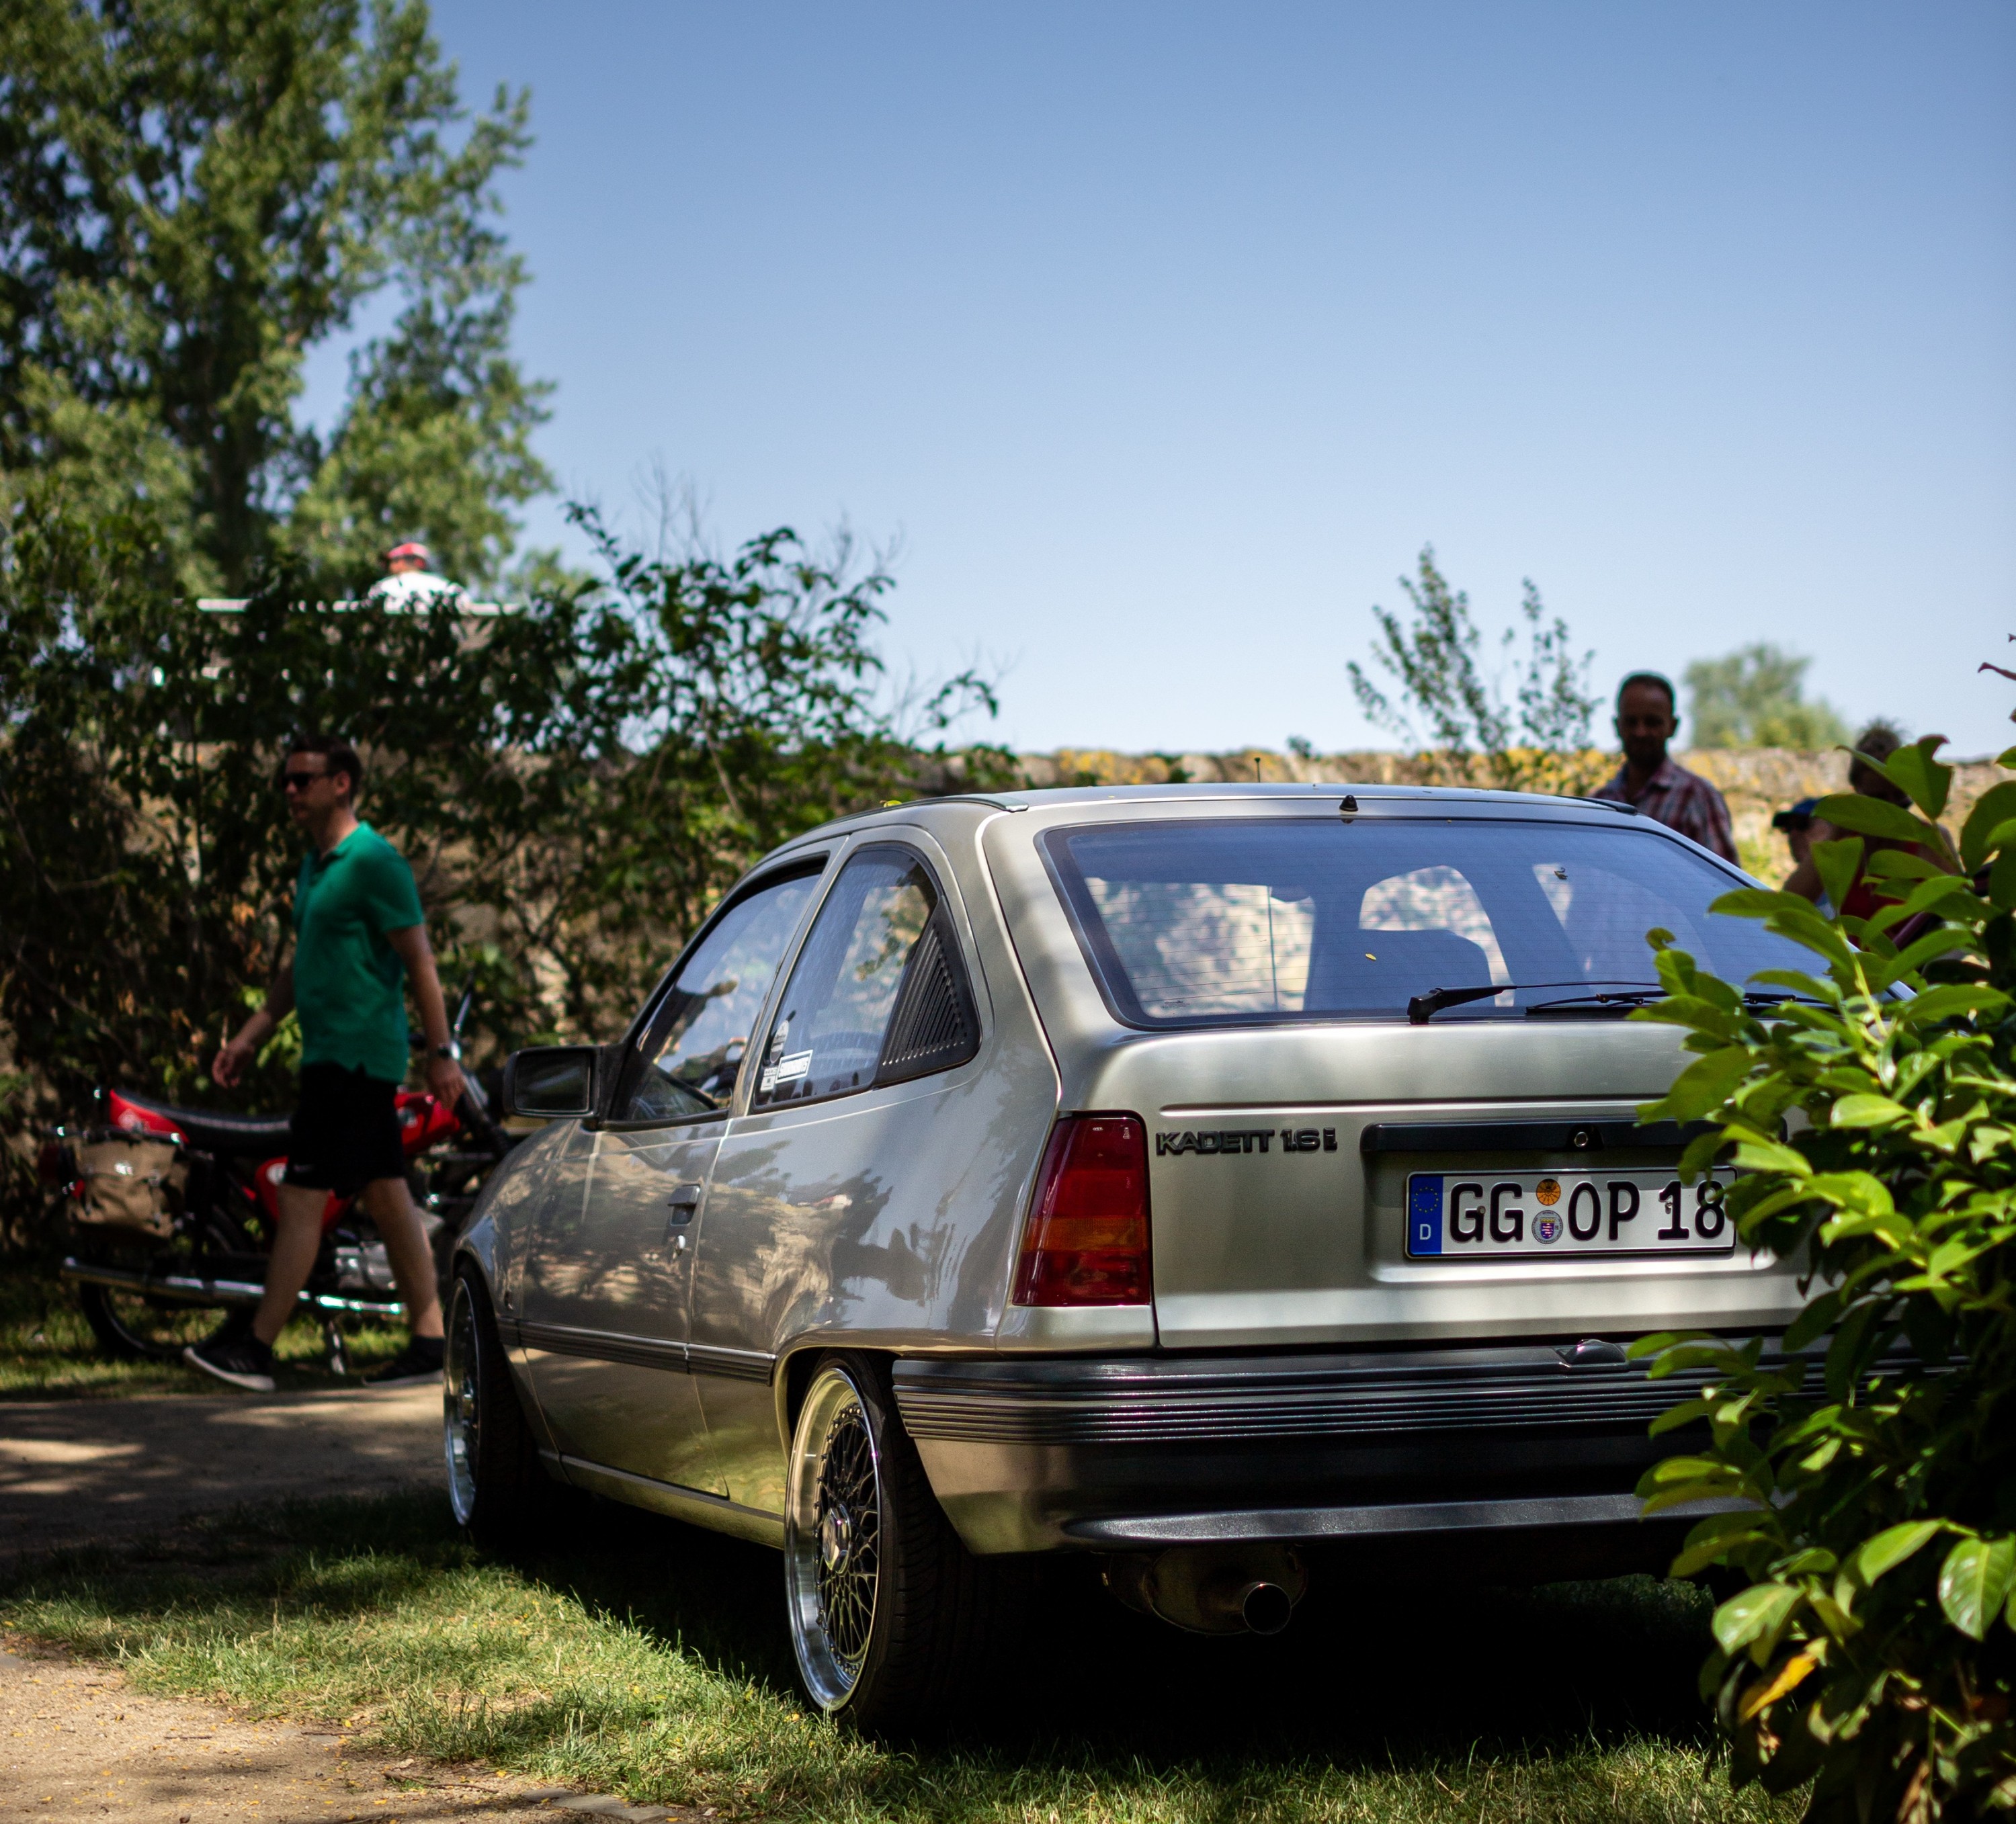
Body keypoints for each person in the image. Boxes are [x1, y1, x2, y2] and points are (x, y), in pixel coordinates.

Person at [187, 735, 466, 1392]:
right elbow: (300, 967)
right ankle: (430, 1341)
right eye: (285, 780)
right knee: (387, 1195)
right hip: (329, 1057)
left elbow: (420, 963)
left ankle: (258, 1348)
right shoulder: (316, 867)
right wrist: (251, 1035)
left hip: (357, 1059)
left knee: (303, 1197)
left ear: (341, 783)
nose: (290, 790)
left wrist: (442, 1052)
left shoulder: (375, 862)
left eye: (302, 779)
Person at [1783, 721, 1955, 915]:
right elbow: (1791, 904)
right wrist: (1837, 834)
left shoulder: (1930, 840)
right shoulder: (1843, 842)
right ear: (1858, 791)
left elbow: (1961, 912)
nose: (1892, 810)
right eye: (1879, 800)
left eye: (1902, 802)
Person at [1592, 672, 1738, 862]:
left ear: (1673, 727)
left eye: (1652, 722)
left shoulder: (1697, 798)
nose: (1641, 732)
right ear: (1618, 726)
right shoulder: (1601, 803)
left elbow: (1722, 884)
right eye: (1631, 722)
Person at [366, 539, 466, 612]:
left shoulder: (384, 586)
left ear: (401, 562)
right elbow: (465, 604)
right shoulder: (445, 585)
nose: (387, 567)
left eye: (390, 562)